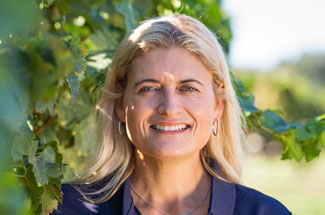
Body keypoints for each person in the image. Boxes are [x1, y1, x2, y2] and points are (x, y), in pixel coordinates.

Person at [53, 14, 292, 215]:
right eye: (149, 88)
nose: (169, 107)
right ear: (120, 105)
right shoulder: (65, 208)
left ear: (218, 106)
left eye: (188, 88)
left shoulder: (264, 212)